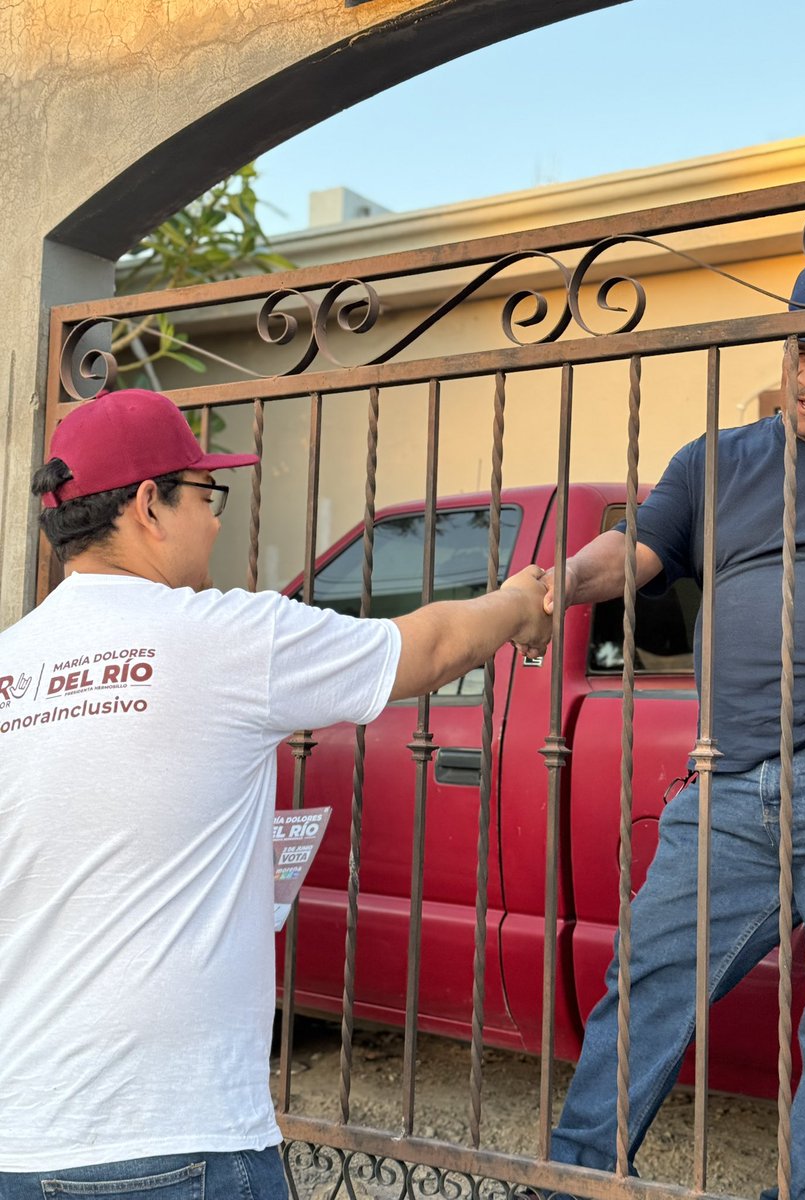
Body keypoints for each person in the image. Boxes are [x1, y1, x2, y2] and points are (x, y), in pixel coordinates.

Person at [0, 388, 551, 1198]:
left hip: (20, 1139)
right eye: (206, 494)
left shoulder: (11, 664)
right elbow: (429, 648)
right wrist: (518, 601)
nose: (218, 521)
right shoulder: (225, 637)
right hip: (176, 1142)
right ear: (148, 504)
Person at [541, 255, 805, 1200]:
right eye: (801, 350)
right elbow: (641, 550)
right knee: (649, 976)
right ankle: (575, 1182)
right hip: (728, 777)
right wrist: (558, 581)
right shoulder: (716, 460)